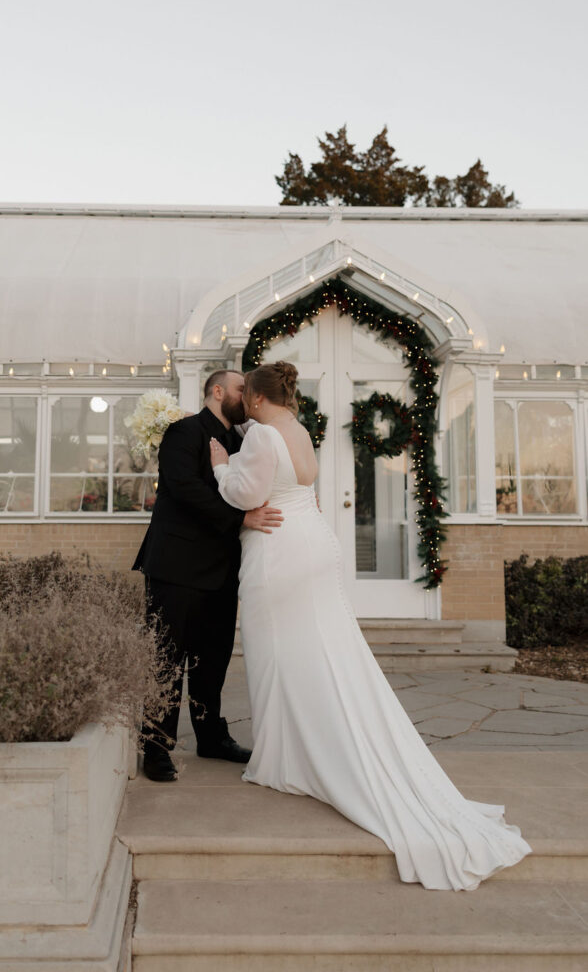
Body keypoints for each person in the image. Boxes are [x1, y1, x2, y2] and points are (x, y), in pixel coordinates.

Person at [209, 360, 531, 891]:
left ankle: (282, 761)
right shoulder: (298, 430)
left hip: (279, 551)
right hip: (314, 543)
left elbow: (245, 495)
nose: (242, 402)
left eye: (247, 396)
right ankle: (295, 752)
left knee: (277, 656)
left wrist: (222, 467)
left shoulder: (262, 435)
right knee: (317, 652)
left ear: (259, 398)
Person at [133, 368, 283, 782]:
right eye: (240, 389)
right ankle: (155, 747)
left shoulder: (242, 440)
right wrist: (242, 518)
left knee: (213, 660)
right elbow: (185, 489)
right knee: (165, 660)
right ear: (217, 391)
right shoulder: (183, 432)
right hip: (176, 566)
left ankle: (211, 737)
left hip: (222, 569)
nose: (247, 396)